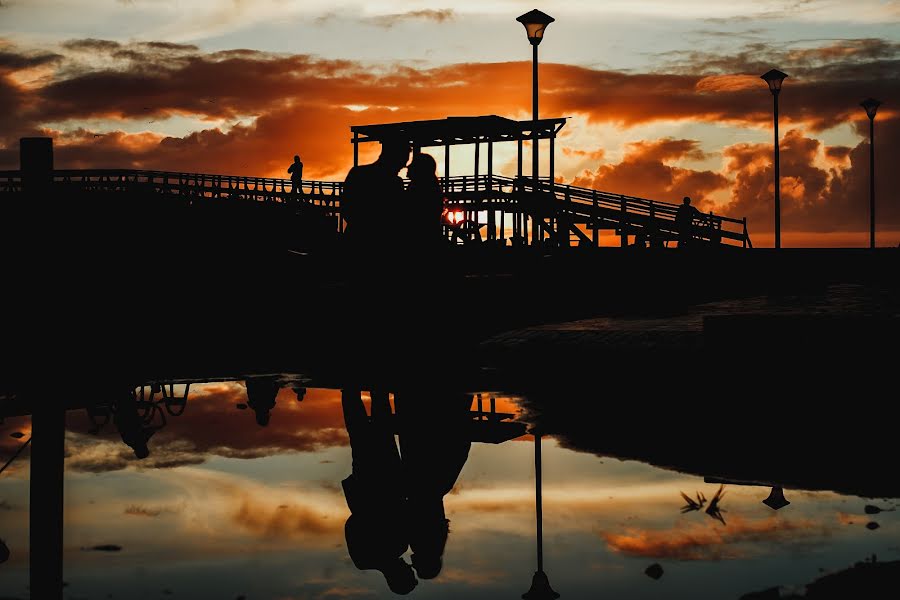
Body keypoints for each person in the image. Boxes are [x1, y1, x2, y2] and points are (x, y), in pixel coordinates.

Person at [341, 388, 417, 595]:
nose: (409, 566)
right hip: (367, 485)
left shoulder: (399, 544)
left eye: (408, 572)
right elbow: (350, 526)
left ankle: (378, 389)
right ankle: (350, 389)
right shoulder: (363, 560)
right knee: (359, 432)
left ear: (400, 575)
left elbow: (403, 510)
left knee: (380, 430)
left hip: (387, 481)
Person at [342, 138, 411, 256]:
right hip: (383, 246)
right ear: (393, 157)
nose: (404, 166)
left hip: (354, 240)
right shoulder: (395, 183)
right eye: (402, 161)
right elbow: (398, 217)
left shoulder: (357, 173)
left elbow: (347, 209)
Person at [405, 153, 445, 250]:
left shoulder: (416, 188)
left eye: (412, 164)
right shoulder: (432, 187)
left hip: (419, 239)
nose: (408, 166)